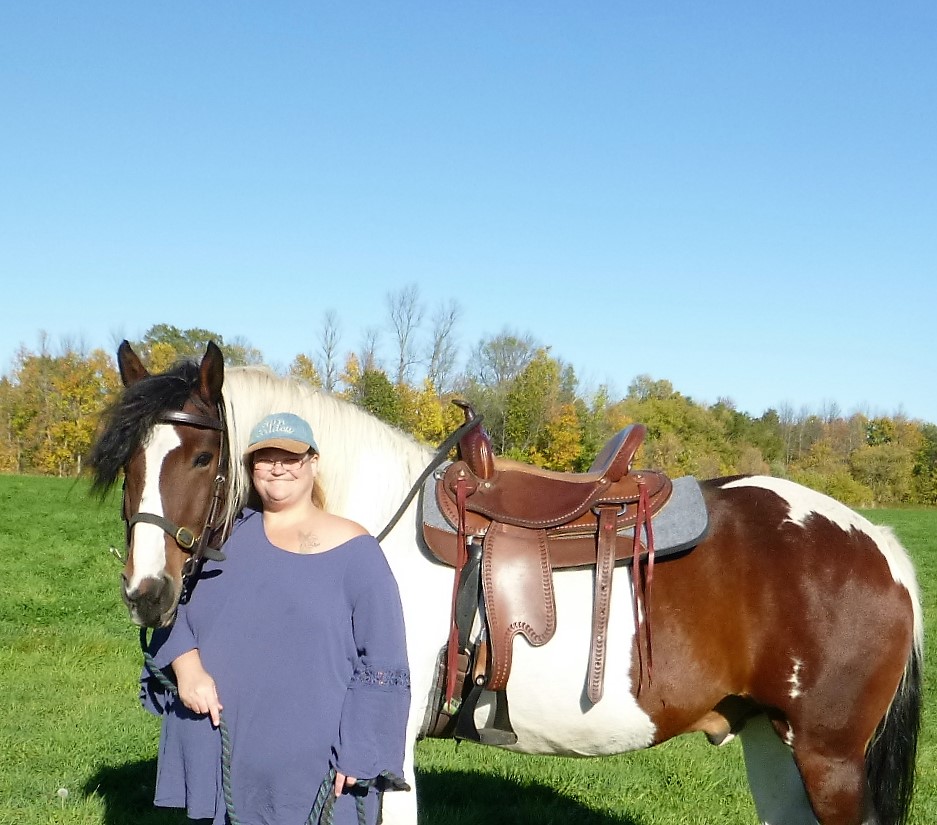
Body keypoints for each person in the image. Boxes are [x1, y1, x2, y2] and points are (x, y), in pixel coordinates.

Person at [142, 412, 411, 825]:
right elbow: (167, 606)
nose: (278, 467)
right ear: (250, 467)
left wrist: (362, 750)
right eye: (265, 458)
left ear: (313, 463)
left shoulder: (357, 550)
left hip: (319, 771)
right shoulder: (221, 540)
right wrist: (186, 665)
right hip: (230, 756)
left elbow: (384, 659)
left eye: (291, 458)